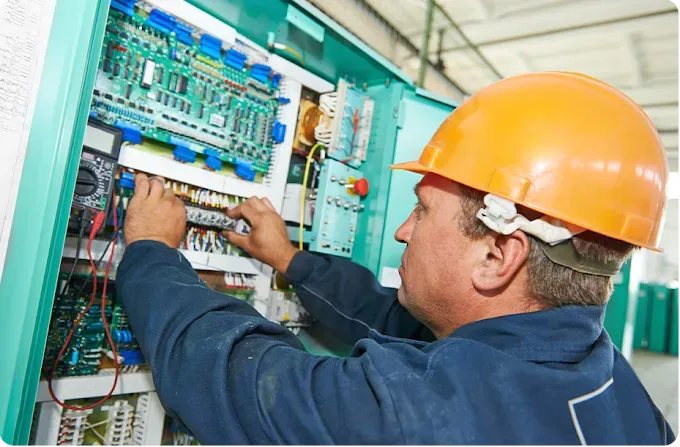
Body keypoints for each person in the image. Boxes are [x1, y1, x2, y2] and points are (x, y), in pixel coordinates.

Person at [118, 72, 675, 445]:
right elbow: (400, 322)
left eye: (424, 211)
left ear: (498, 253)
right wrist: (290, 259)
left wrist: (150, 250)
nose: (404, 231)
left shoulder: (421, 417)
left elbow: (222, 374)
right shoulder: (613, 386)